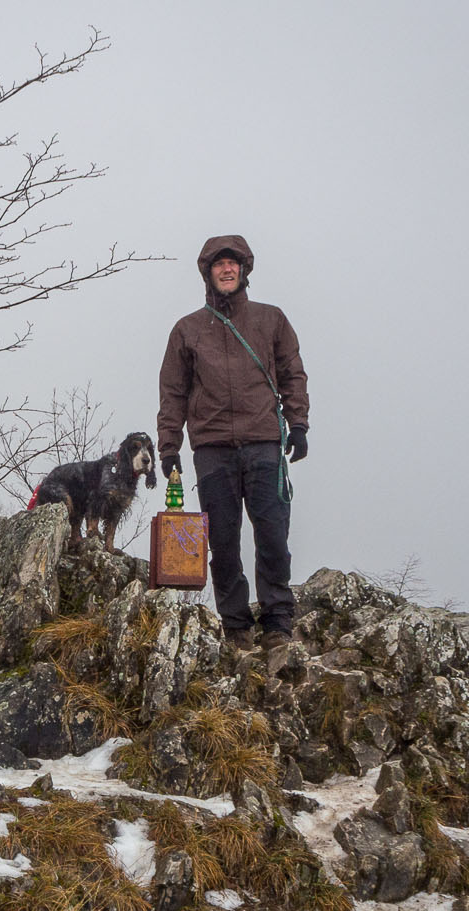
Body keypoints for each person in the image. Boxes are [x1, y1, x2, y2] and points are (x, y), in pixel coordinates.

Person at [156, 234, 310, 649]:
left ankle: (278, 621)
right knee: (222, 542)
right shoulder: (187, 330)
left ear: (244, 271)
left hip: (264, 442)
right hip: (212, 449)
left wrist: (298, 425)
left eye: (234, 264)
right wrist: (168, 447)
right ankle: (236, 626)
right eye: (219, 264)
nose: (227, 269)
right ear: (207, 273)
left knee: (273, 536)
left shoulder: (270, 319)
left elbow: (292, 374)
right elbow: (172, 392)